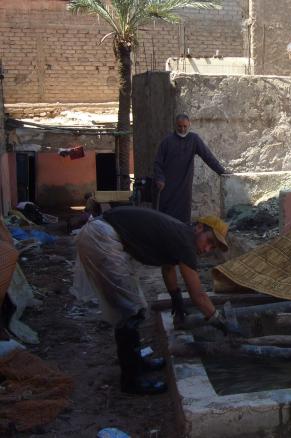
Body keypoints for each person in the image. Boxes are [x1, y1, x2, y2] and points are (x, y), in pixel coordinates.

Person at [75, 207, 240, 395]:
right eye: (209, 242)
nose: (207, 249)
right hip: (102, 237)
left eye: (213, 248)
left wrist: (176, 297)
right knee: (130, 311)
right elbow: (199, 296)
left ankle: (138, 364)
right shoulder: (186, 241)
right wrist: (219, 321)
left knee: (134, 307)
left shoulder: (180, 234)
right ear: (200, 228)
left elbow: (168, 268)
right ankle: (131, 381)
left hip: (101, 234)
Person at [153, 114, 229, 318]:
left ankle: (181, 259)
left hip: (183, 193)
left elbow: (207, 156)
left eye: (186, 126)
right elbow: (158, 163)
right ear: (175, 125)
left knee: (182, 229)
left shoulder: (194, 140)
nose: (183, 129)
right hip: (167, 191)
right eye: (180, 126)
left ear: (190, 125)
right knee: (167, 235)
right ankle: (176, 295)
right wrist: (159, 179)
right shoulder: (167, 142)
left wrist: (222, 172)